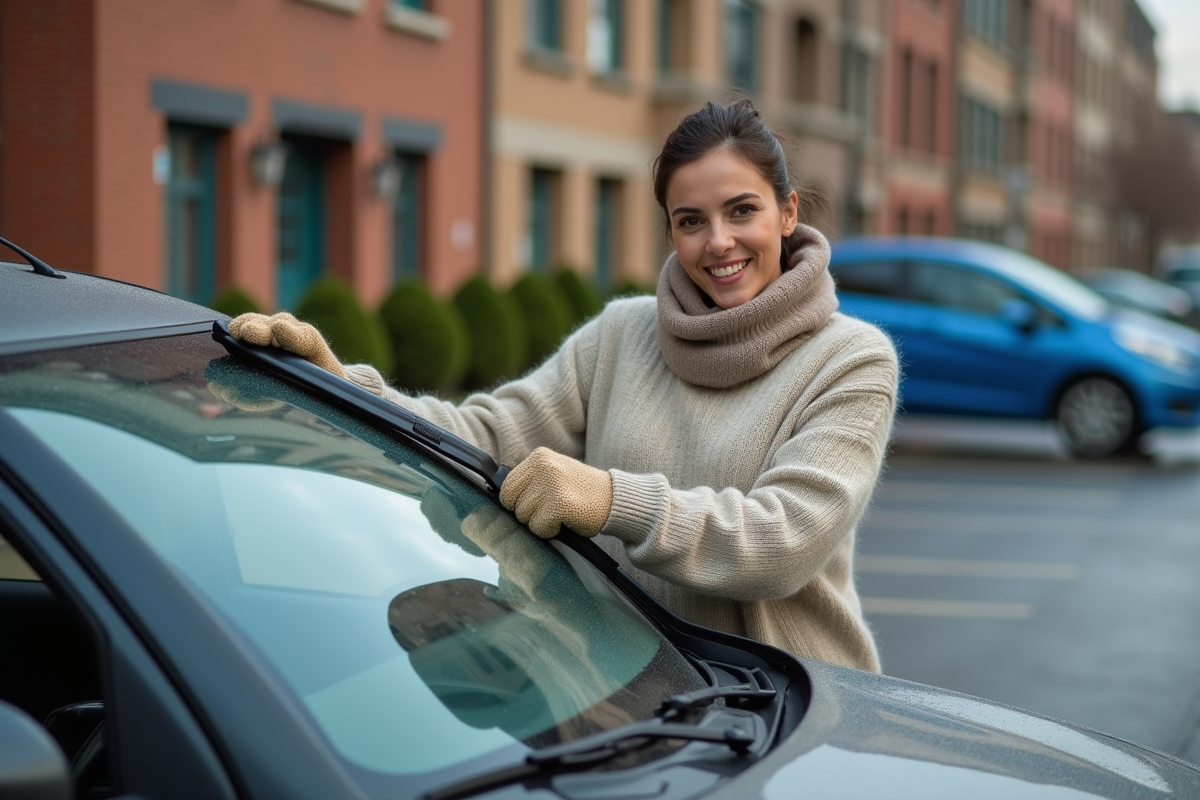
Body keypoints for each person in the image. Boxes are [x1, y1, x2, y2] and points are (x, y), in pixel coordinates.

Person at [229, 99, 899, 673]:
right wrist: (340, 386)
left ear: (787, 213)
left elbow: (782, 542)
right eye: (691, 220)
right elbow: (481, 434)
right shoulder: (621, 334)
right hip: (629, 689)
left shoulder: (850, 360)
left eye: (741, 211)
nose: (718, 242)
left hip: (793, 705)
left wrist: (609, 498)